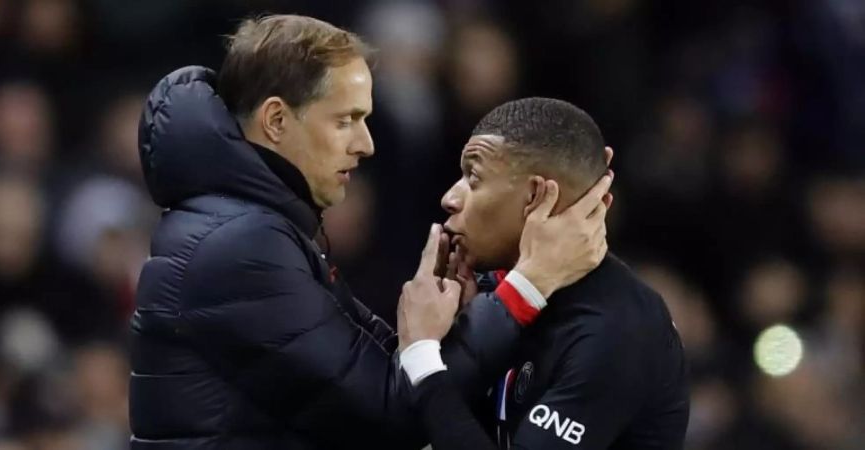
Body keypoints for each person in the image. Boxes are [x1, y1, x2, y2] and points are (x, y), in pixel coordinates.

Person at [129, 15, 613, 450]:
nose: (366, 145)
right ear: (276, 120)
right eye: (347, 121)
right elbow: (394, 415)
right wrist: (526, 287)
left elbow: (390, 381)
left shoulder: (251, 228)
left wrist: (447, 326)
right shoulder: (239, 245)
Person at [398, 98, 689, 449]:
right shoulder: (495, 296)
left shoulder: (616, 328)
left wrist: (423, 359)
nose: (450, 198)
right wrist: (458, 344)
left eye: (473, 178)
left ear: (535, 196)